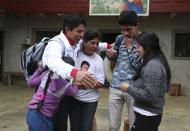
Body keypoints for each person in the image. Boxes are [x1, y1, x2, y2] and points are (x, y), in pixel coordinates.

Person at [41, 14, 109, 131]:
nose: (82, 35)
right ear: (67, 29)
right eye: (79, 31)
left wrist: (109, 46)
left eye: (83, 31)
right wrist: (75, 73)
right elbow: (53, 61)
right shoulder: (56, 43)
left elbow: (92, 43)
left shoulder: (76, 42)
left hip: (70, 93)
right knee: (60, 125)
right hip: (57, 95)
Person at [121, 32, 171, 131]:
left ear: (147, 47)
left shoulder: (153, 66)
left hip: (146, 116)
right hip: (147, 115)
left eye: (138, 46)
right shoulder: (155, 61)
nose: (136, 50)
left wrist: (128, 88)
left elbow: (150, 95)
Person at [106, 10, 142, 131]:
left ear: (137, 26)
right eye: (122, 29)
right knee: (113, 126)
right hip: (115, 87)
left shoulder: (144, 41)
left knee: (134, 125)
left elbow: (140, 66)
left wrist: (129, 47)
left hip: (134, 89)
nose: (125, 33)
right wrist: (109, 54)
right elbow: (115, 58)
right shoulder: (119, 39)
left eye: (128, 29)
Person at [26, 57, 78, 131]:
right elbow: (74, 92)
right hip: (43, 116)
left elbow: (30, 83)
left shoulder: (46, 74)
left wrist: (39, 70)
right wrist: (75, 80)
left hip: (32, 111)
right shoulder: (65, 85)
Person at [70, 30, 105, 131]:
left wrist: (82, 82)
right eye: (92, 43)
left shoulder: (98, 60)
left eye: (97, 43)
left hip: (90, 101)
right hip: (74, 99)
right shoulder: (76, 55)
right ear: (84, 42)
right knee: (75, 127)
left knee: (86, 127)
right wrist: (88, 81)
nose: (95, 46)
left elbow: (101, 82)